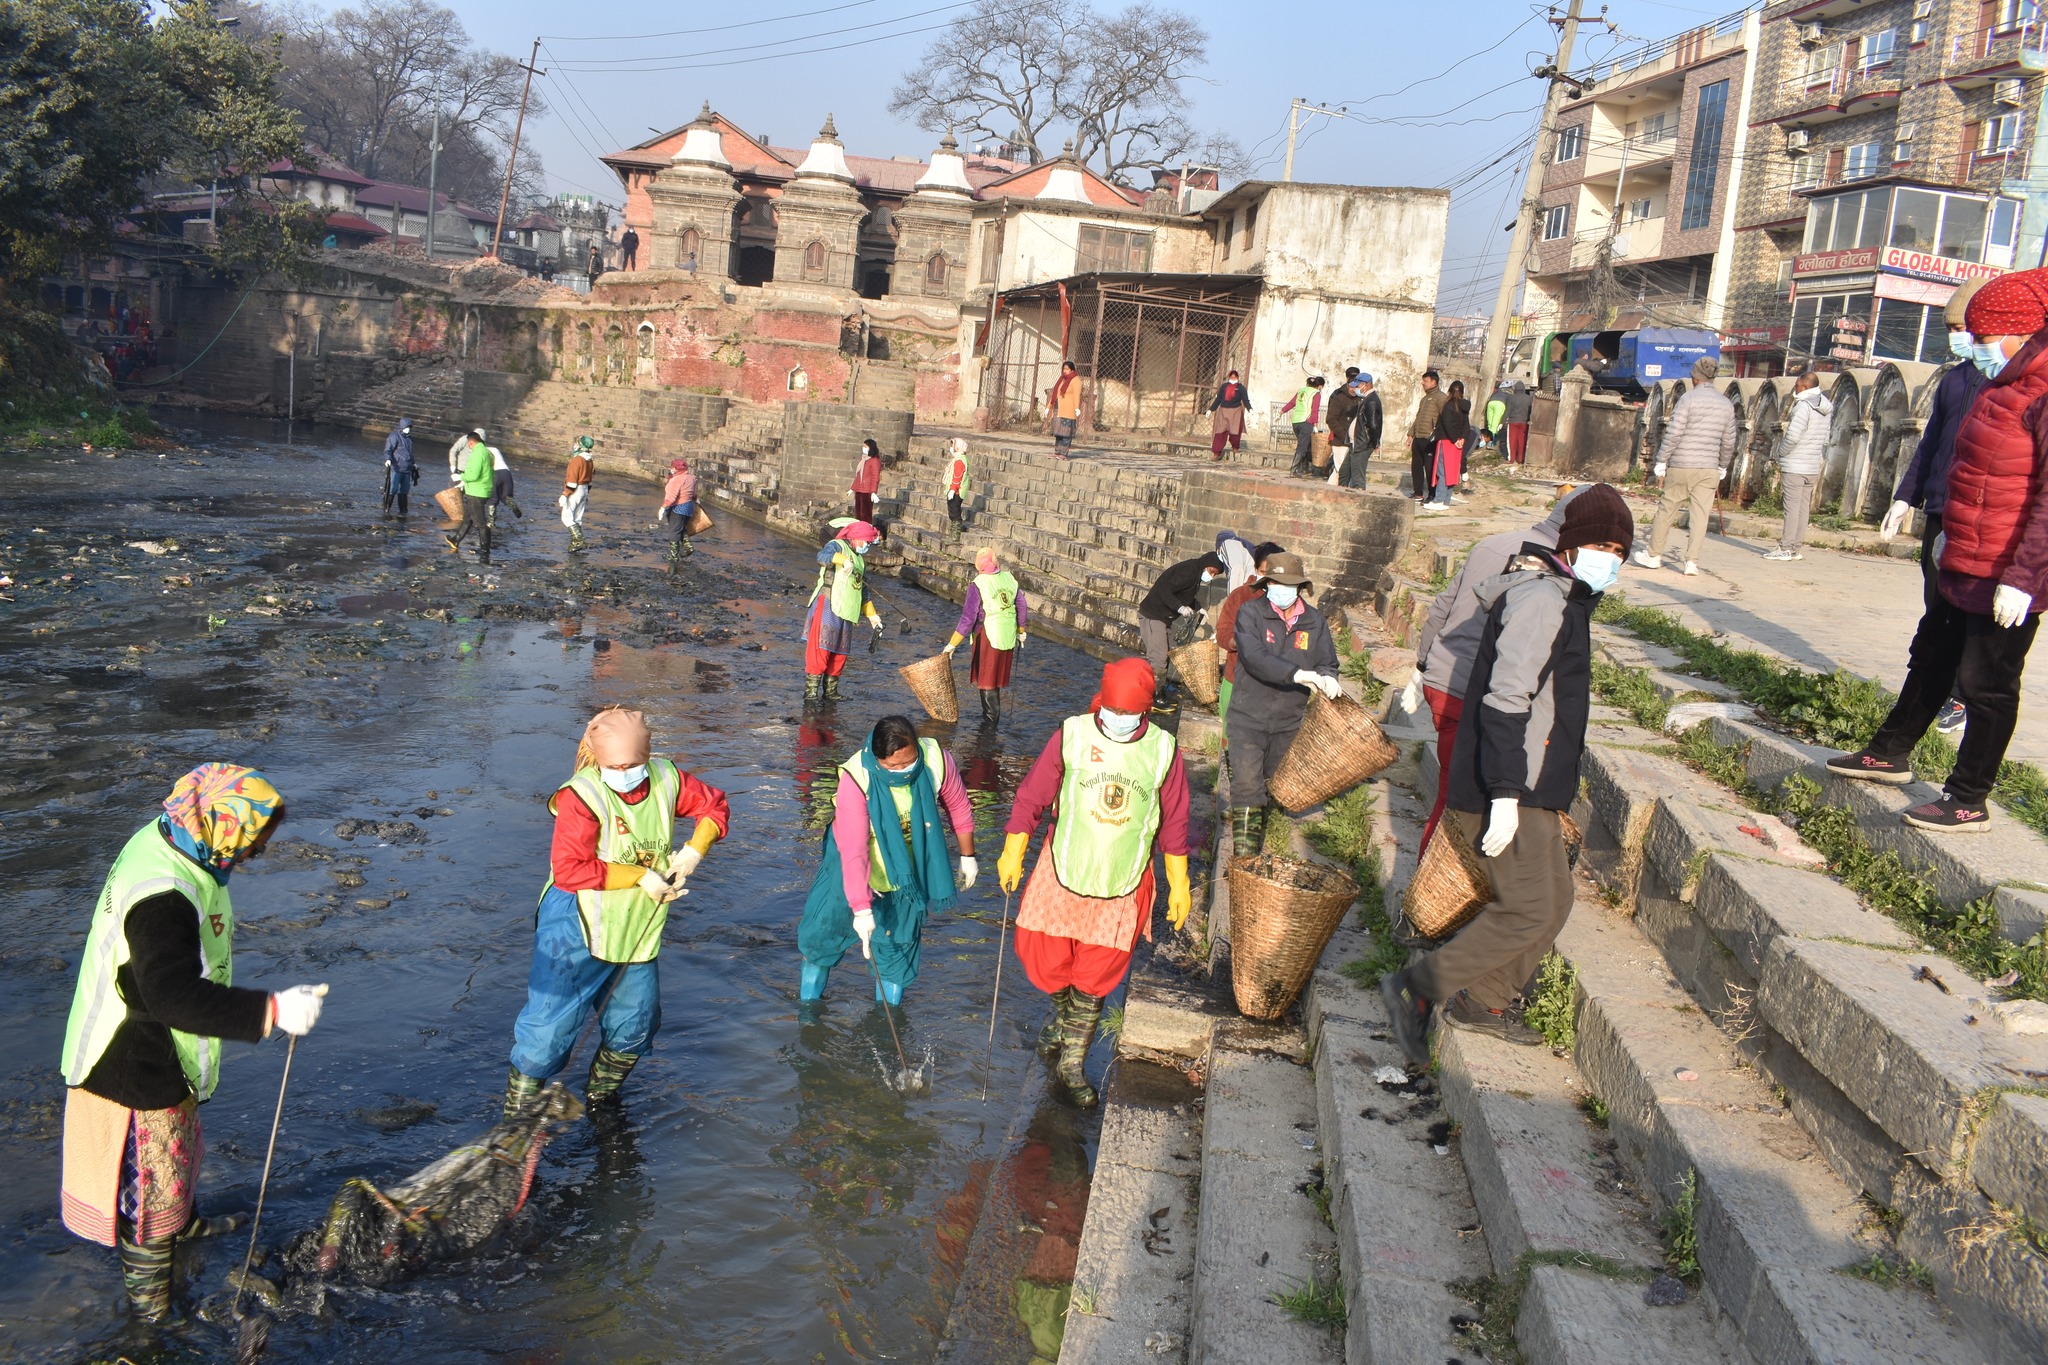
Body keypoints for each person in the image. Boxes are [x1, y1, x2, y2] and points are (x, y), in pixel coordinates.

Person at [59, 764, 327, 1321]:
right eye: (252, 843)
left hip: (157, 1047)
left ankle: (182, 1222)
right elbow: (171, 995)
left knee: (178, 1156)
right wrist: (271, 1010)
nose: (255, 855)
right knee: (151, 1181)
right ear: (223, 826)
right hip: (132, 1061)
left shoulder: (173, 837)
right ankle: (151, 1315)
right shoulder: (165, 895)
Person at [1382, 487, 1634, 1061]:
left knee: (1555, 900)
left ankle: (1484, 999)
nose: (1610, 559)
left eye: (1619, 549)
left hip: (1535, 782)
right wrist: (1504, 793)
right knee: (1528, 908)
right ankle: (1419, 992)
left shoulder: (1567, 596)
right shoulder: (1542, 599)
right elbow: (1505, 701)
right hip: (1511, 781)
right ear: (1570, 545)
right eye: (1599, 545)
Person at [1827, 270, 2048, 832]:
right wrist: (1941, 520)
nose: (1974, 346)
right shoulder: (1995, 386)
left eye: (1982, 335)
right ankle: (1890, 752)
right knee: (1931, 656)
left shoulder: (2043, 396)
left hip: (2009, 571)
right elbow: (1960, 462)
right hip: (1965, 553)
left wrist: (2025, 577)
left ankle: (1968, 797)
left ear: (2020, 333)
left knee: (1986, 685)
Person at [505, 707, 729, 1116]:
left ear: (647, 757)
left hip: (636, 923)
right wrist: (642, 876)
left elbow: (714, 806)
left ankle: (599, 1105)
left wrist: (695, 850)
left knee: (636, 1025)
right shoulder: (581, 795)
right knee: (549, 1032)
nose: (624, 772)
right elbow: (571, 869)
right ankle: (516, 1126)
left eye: (632, 765)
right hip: (576, 921)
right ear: (599, 758)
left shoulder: (666, 778)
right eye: (615, 766)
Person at [997, 658, 1192, 1107]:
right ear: (1101, 702)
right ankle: (1060, 1020)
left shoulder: (1163, 750)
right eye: (1112, 711)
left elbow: (1175, 821)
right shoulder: (1073, 734)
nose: (1118, 720)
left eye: (1129, 714)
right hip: (1064, 869)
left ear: (1146, 711)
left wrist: (1178, 882)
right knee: (1045, 958)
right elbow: (1032, 795)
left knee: (1096, 973)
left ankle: (1071, 1062)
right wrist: (1013, 851)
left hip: (1121, 879)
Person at [1408, 488, 1586, 853]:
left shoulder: (1493, 543)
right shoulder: (1549, 567)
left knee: (1453, 789)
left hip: (1442, 675)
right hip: (1473, 690)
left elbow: (1442, 606)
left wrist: (1422, 664)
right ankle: (1426, 892)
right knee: (1456, 805)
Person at [797, 715, 977, 1006]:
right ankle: (808, 1010)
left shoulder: (935, 760)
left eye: (908, 762)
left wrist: (968, 856)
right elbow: (854, 849)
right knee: (824, 935)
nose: (903, 770)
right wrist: (861, 909)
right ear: (877, 758)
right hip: (850, 863)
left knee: (897, 946)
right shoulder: (857, 778)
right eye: (893, 766)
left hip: (907, 868)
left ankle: (887, 1019)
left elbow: (957, 804)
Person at [1880, 278, 1991, 737]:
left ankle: (1961, 698)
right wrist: (1906, 496)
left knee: (1967, 611)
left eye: (1963, 326)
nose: (1956, 335)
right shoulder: (1953, 380)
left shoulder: (2004, 383)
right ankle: (1931, 687)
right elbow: (1928, 446)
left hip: (1976, 514)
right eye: (1949, 327)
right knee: (1935, 603)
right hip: (1939, 508)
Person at [1224, 552, 1343, 854]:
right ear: (1266, 584)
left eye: (1286, 584)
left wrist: (1328, 677)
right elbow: (1253, 658)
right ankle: (1245, 856)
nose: (1279, 589)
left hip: (1288, 721)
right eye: (1274, 582)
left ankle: (1262, 819)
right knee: (1248, 785)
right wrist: (1297, 674)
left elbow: (1328, 660)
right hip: (1248, 716)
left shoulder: (1314, 622)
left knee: (1271, 780)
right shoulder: (1251, 614)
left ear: (1300, 587)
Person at [1634, 357, 1735, 576]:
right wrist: (1723, 465)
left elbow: (1674, 433)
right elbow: (1729, 441)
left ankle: (1654, 555)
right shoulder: (1726, 404)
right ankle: (1692, 562)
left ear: (1694, 377)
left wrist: (1661, 460)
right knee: (1700, 515)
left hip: (1682, 465)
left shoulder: (1687, 399)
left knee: (1667, 509)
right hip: (1709, 469)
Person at [805, 520, 885, 704]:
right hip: (828, 605)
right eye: (866, 542)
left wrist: (872, 615)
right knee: (821, 649)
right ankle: (810, 695)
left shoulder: (859, 560)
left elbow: (862, 589)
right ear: (856, 538)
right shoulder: (837, 545)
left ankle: (830, 692)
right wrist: (842, 559)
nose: (867, 546)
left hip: (847, 610)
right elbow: (822, 556)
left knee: (840, 652)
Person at [946, 547, 1028, 723]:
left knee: (987, 680)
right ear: (995, 561)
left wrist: (952, 644)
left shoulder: (979, 583)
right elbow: (1022, 605)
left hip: (989, 636)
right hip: (1008, 636)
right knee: (996, 680)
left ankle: (991, 723)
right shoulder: (1009, 578)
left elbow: (968, 618)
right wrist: (1021, 631)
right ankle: (992, 722)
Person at [1137, 551, 1225, 708]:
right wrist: (1180, 607)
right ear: (1206, 564)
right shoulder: (1188, 571)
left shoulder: (1195, 575)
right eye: (1212, 572)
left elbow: (1186, 595)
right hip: (1153, 615)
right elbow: (1164, 589)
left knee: (1169, 651)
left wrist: (1198, 608)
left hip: (1164, 618)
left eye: (1215, 575)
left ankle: (1157, 688)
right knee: (1158, 656)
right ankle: (1155, 697)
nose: (1211, 576)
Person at [1214, 541, 1285, 722]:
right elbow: (1223, 630)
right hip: (1237, 677)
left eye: (1274, 574)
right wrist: (1235, 641)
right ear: (1255, 569)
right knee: (1231, 736)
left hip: (1271, 684)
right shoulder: (1240, 596)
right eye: (1263, 573)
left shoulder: (1287, 601)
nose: (1269, 580)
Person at [1766, 370, 1832, 562]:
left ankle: (1785, 547)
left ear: (1804, 386)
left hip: (1795, 464)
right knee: (1803, 508)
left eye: (1796, 385)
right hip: (1812, 465)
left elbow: (1793, 436)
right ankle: (1795, 547)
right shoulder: (1826, 406)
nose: (1795, 389)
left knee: (1792, 508)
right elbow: (1826, 439)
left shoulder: (1803, 406)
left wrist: (1781, 451)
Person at [445, 429, 495, 562]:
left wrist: (460, 476)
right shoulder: (488, 453)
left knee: (480, 523)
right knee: (468, 518)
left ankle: (485, 550)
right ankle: (456, 539)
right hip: (483, 489)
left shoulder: (477, 454)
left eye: (468, 444)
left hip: (476, 491)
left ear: (471, 442)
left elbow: (473, 474)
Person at [1421, 381, 1470, 513]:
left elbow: (1447, 425)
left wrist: (1454, 440)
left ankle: (1439, 500)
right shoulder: (1464, 407)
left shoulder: (1448, 406)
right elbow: (1466, 425)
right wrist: (1462, 439)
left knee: (1442, 472)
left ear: (1449, 391)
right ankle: (1446, 500)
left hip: (1447, 441)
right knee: (1452, 472)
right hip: (1458, 443)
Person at [1334, 374, 1381, 488]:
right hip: (1354, 443)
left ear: (1366, 385)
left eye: (1358, 385)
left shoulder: (1372, 401)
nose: (1356, 388)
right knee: (1344, 473)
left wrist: (1375, 443)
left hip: (1362, 443)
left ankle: (1357, 500)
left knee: (1357, 477)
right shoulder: (1365, 399)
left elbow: (1373, 425)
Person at [1410, 370, 1448, 503]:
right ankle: (1418, 493)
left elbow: (1444, 418)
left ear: (1433, 382)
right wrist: (1411, 433)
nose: (1423, 383)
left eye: (1425, 381)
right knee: (1416, 466)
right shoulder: (1424, 399)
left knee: (1430, 468)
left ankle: (1432, 494)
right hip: (1418, 437)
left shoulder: (1441, 398)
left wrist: (1436, 433)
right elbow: (1418, 417)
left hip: (1430, 438)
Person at [1281, 375, 1326, 477]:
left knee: (1307, 445)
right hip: (1306, 421)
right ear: (1319, 386)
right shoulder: (1316, 393)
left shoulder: (1301, 391)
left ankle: (1305, 468)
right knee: (1302, 446)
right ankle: (1294, 469)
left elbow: (1292, 403)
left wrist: (1283, 410)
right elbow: (1314, 409)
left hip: (1296, 421)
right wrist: (1315, 423)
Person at [1325, 366, 1361, 481]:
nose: (1354, 389)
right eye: (1352, 386)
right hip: (1341, 440)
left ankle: (1332, 492)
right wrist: (1344, 435)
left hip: (1355, 440)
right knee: (1341, 470)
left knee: (1343, 472)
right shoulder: (1338, 397)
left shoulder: (1361, 398)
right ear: (1347, 383)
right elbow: (1331, 419)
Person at [660, 456, 697, 565]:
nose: (671, 469)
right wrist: (696, 500)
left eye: (672, 467)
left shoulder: (676, 480)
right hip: (689, 507)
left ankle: (674, 556)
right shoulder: (692, 477)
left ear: (676, 468)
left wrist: (663, 507)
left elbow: (672, 498)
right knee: (680, 528)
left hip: (678, 508)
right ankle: (688, 547)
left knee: (674, 531)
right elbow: (694, 493)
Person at [561, 435, 596, 553]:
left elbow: (572, 480)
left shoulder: (577, 460)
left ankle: (578, 540)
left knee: (566, 516)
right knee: (577, 517)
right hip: (585, 489)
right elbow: (590, 478)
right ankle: (575, 544)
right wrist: (587, 492)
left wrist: (565, 494)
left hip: (576, 490)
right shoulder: (590, 460)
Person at [1208, 369, 1252, 459]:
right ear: (1229, 377)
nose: (1233, 378)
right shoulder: (1224, 387)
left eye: (1235, 377)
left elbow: (1245, 399)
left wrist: (1250, 409)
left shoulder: (1241, 388)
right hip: (1223, 411)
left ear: (1237, 378)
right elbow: (1218, 399)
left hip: (1235, 411)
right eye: (1231, 377)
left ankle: (1235, 446)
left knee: (1235, 431)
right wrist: (1211, 409)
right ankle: (1216, 452)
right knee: (1220, 431)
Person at [381, 416, 416, 518]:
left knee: (404, 490)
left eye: (410, 427)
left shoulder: (409, 439)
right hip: (396, 468)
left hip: (407, 468)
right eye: (407, 427)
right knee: (392, 489)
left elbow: (410, 453)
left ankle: (403, 510)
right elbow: (388, 450)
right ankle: (386, 508)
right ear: (402, 427)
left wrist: (414, 464)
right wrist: (388, 459)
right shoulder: (394, 436)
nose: (408, 429)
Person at [1049, 361, 1081, 459]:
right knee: (1058, 432)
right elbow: (1056, 393)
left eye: (1067, 369)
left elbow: (1076, 395)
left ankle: (1064, 453)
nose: (1065, 371)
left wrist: (1077, 408)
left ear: (1072, 370)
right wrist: (1049, 406)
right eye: (1064, 369)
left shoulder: (1076, 380)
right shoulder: (1062, 379)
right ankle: (1057, 451)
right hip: (1059, 409)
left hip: (1069, 410)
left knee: (1066, 433)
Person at [943, 437, 971, 541]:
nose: (951, 448)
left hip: (956, 491)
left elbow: (957, 477)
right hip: (956, 490)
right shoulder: (960, 459)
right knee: (953, 511)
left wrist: (952, 489)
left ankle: (955, 536)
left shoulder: (959, 461)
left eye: (952, 446)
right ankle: (954, 533)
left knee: (954, 512)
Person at [489, 444, 524, 526]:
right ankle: (513, 507)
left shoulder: (479, 452)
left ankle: (491, 523)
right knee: (506, 497)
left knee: (492, 500)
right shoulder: (495, 448)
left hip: (495, 474)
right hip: (506, 472)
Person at [851, 438, 883, 526]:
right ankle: (858, 530)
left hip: (867, 491)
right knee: (858, 513)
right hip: (859, 490)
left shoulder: (874, 461)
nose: (863, 448)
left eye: (865, 446)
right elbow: (858, 476)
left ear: (870, 448)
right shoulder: (864, 460)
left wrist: (873, 492)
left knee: (865, 514)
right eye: (863, 446)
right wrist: (852, 489)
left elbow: (875, 477)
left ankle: (866, 530)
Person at [1484, 383, 1510, 451]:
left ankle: (1487, 441)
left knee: (1490, 424)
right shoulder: (1507, 395)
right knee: (1495, 425)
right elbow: (1508, 408)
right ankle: (1491, 444)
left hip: (1491, 403)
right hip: (1500, 404)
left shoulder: (1496, 392)